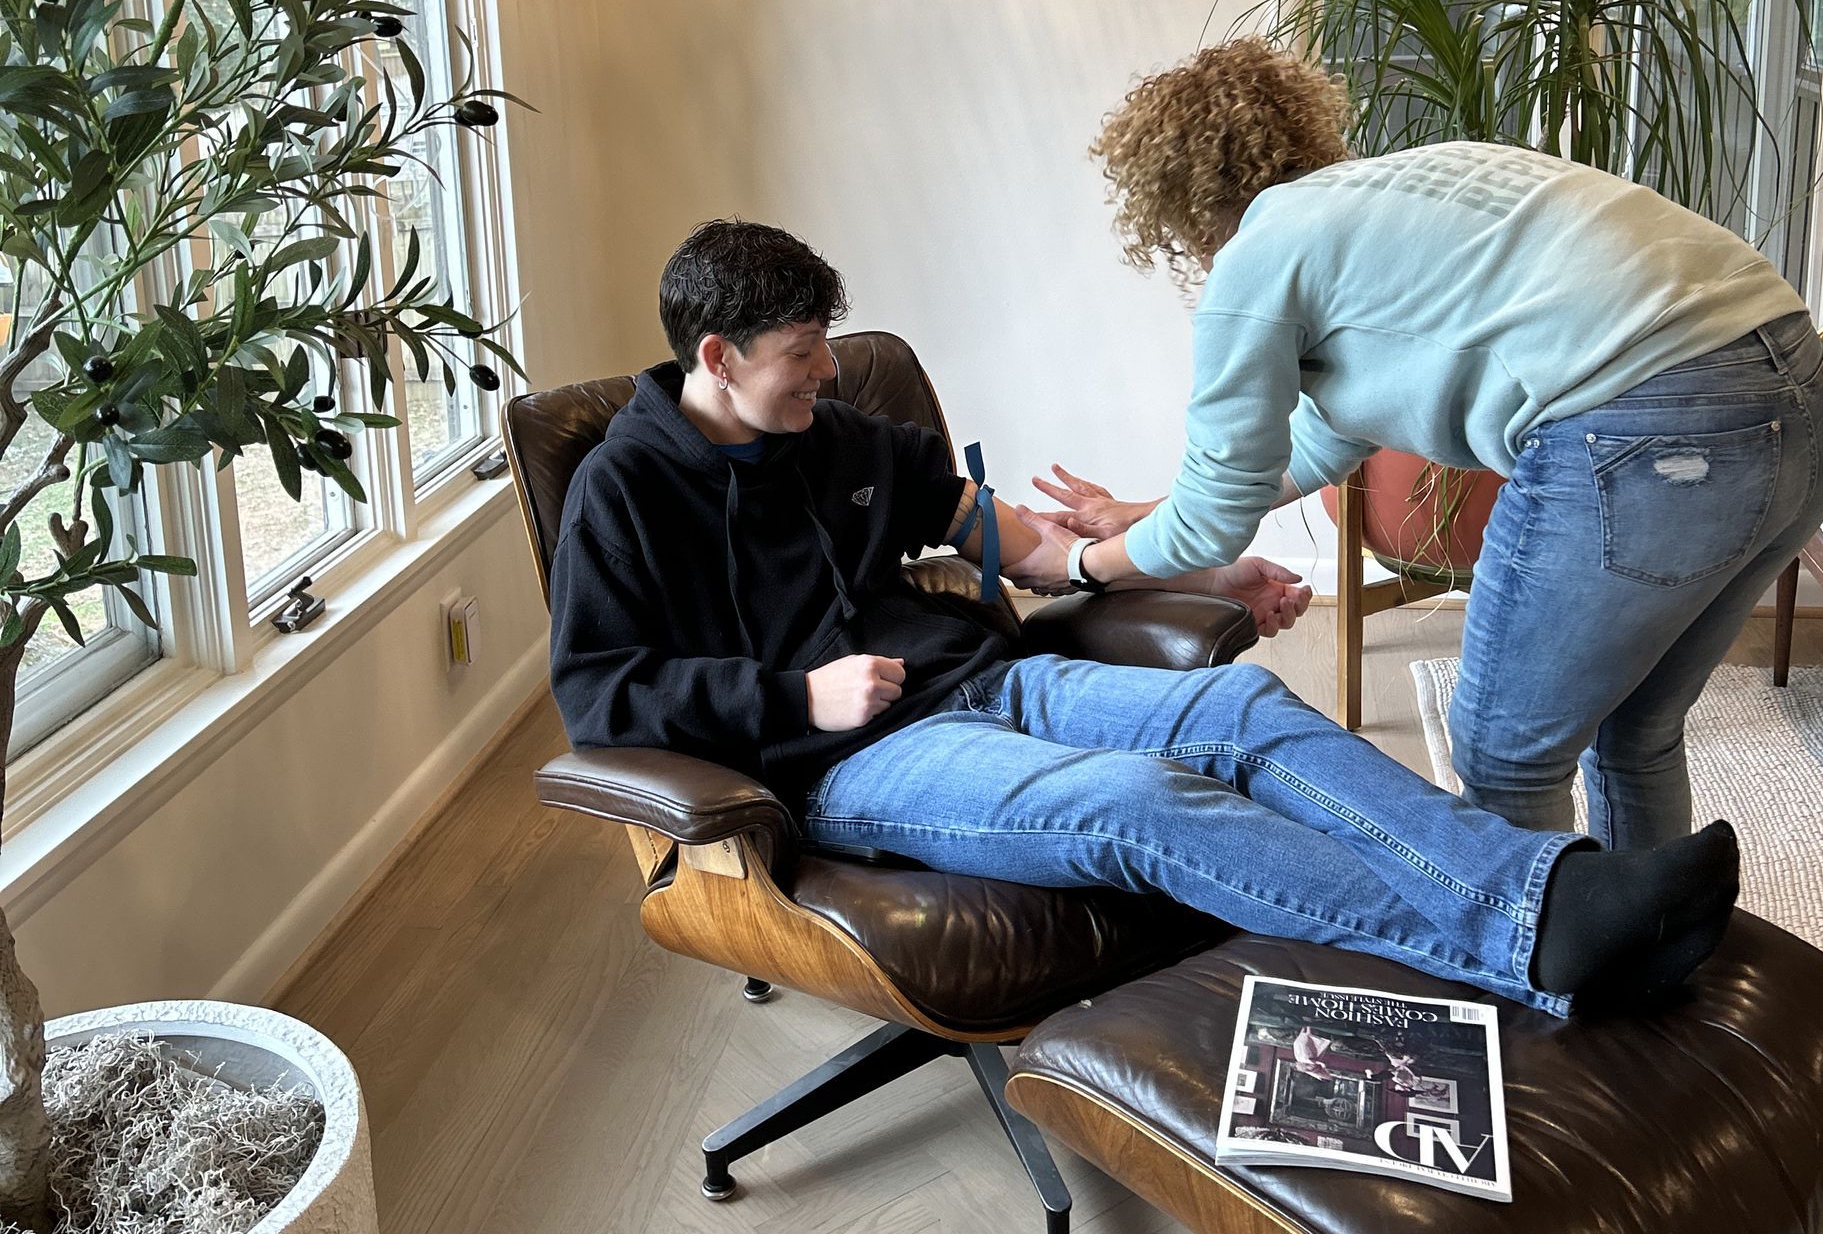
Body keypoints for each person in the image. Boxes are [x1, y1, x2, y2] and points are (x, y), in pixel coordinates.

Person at [547, 217, 1742, 1017]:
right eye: (801, 355)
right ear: (717, 353)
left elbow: (1017, 540)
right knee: (1131, 803)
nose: (826, 373)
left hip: (991, 678)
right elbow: (600, 696)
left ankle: (1549, 894)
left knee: (1240, 707)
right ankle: (1529, 948)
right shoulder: (624, 487)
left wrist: (1204, 576)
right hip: (842, 761)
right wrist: (788, 697)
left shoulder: (843, 439)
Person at [1037, 41, 1823, 851]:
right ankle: (1651, 963)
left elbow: (1215, 526)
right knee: (1636, 727)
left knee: (1507, 753)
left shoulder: (1258, 255)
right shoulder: (1410, 189)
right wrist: (1145, 515)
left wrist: (1073, 567)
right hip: (1801, 389)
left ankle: (1539, 973)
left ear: (1176, 201)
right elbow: (1324, 438)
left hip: (1651, 424)